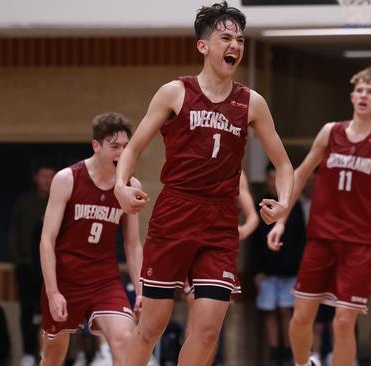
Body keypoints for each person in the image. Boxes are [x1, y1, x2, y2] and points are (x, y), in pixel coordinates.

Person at [113, 2, 294, 365]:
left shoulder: (251, 103)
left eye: (240, 40)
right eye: (226, 37)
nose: (236, 46)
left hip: (219, 219)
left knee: (209, 329)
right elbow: (132, 149)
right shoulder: (175, 92)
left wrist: (284, 201)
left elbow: (284, 164)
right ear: (203, 46)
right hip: (175, 212)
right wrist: (120, 184)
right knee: (152, 326)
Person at [267, 66, 371, 366]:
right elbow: (299, 175)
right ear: (352, 97)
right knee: (301, 317)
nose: (364, 95)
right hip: (322, 237)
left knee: (342, 321)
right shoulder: (330, 132)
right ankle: (303, 363)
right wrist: (282, 219)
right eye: (360, 90)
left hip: (361, 243)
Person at [39, 112, 143, 366]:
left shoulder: (130, 184)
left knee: (125, 341)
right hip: (66, 279)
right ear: (96, 145)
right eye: (115, 147)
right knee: (53, 356)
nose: (122, 153)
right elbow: (46, 240)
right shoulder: (67, 179)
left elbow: (132, 244)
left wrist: (141, 290)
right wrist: (53, 292)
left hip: (104, 280)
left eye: (126, 147)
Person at [183, 171, 260, 366]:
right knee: (194, 309)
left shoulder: (237, 173)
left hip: (219, 250)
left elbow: (253, 217)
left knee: (212, 320)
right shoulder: (196, 161)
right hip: (193, 246)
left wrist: (242, 230)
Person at [251, 163, 306, 366]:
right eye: (270, 179)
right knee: (269, 312)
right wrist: (256, 270)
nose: (274, 184)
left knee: (286, 311)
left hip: (290, 270)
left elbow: (302, 240)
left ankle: (288, 352)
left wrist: (300, 269)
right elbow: (255, 242)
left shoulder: (296, 206)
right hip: (267, 270)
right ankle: (275, 354)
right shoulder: (260, 205)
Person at [9, 161, 56, 366]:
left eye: (51, 176)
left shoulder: (59, 200)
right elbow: (14, 232)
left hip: (53, 267)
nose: (48, 180)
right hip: (27, 266)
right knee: (28, 310)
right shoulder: (24, 202)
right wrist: (18, 259)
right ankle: (29, 352)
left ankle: (51, 355)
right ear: (36, 178)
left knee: (52, 310)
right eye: (44, 176)